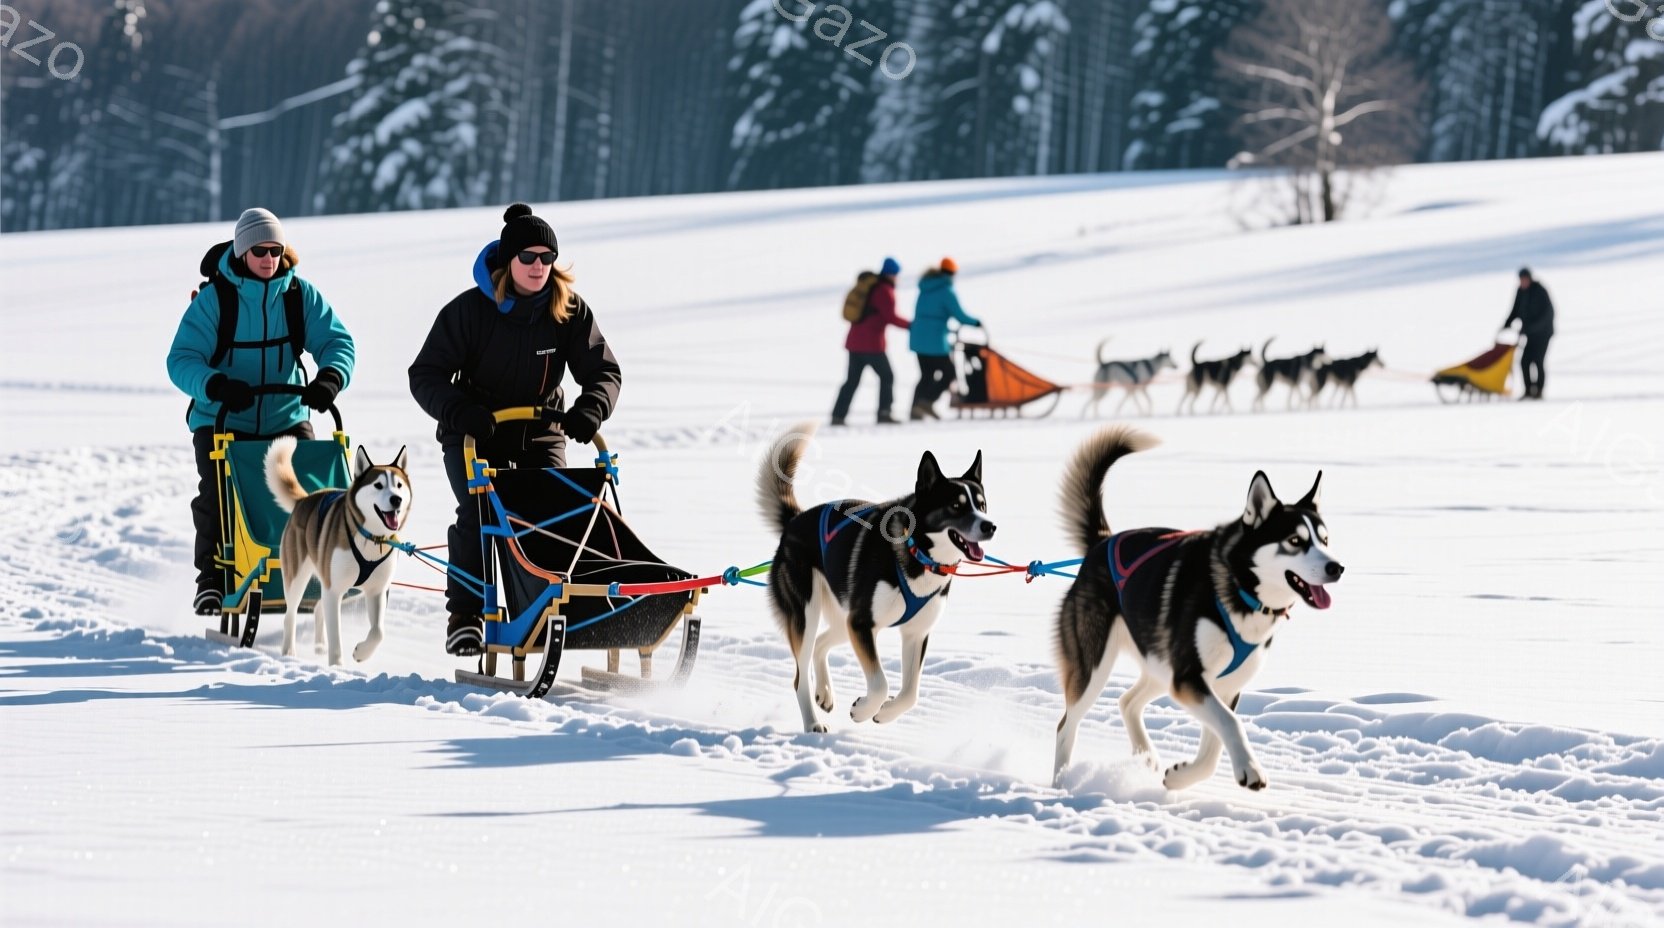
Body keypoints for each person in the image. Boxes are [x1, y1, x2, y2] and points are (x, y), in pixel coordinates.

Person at [409, 203, 621, 657]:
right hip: (474, 430)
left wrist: (590, 409)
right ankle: (465, 618)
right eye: (528, 257)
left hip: (541, 429)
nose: (538, 267)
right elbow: (424, 375)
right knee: (479, 512)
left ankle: (552, 613)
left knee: (556, 512)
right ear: (508, 262)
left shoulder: (569, 310)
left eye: (547, 258)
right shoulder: (469, 311)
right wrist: (459, 410)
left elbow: (605, 372)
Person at [167, 208, 357, 614]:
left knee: (309, 495)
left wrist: (329, 379)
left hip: (286, 415)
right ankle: (214, 580)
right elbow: (182, 359)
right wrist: (215, 385)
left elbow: (338, 343)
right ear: (242, 252)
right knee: (219, 494)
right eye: (259, 251)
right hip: (222, 419)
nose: (268, 259)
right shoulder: (216, 300)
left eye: (275, 250)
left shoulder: (299, 295)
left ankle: (317, 570)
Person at [831, 256, 910, 426]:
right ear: (892, 274)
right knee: (887, 376)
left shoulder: (871, 287)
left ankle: (838, 415)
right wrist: (911, 325)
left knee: (852, 380)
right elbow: (891, 317)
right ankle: (884, 413)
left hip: (854, 342)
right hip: (872, 344)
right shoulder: (884, 291)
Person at [908, 256, 981, 420]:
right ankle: (926, 402)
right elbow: (959, 315)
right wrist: (976, 323)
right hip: (934, 341)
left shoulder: (924, 288)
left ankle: (914, 409)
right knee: (949, 373)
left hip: (918, 338)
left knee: (926, 375)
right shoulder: (946, 291)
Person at [1502, 267, 1555, 400]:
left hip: (1543, 333)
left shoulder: (1540, 291)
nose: (1523, 282)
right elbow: (1515, 310)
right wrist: (1506, 324)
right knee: (1524, 361)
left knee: (1538, 361)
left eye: (1525, 279)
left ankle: (1539, 391)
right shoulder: (1520, 291)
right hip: (1529, 333)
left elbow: (1548, 314)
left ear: (1530, 278)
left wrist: (1531, 328)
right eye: (1521, 279)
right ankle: (1528, 390)